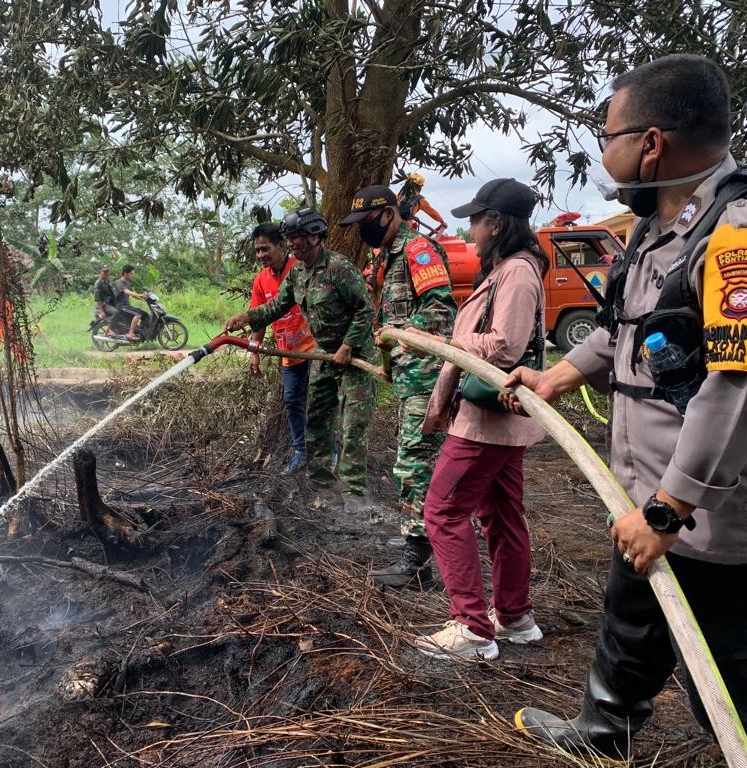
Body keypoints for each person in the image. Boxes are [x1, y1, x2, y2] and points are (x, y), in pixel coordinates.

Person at [505, 55, 747, 766]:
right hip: (647, 494)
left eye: (609, 136)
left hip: (716, 519)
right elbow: (623, 329)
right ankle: (604, 734)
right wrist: (559, 375)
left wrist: (671, 507)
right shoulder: (656, 228)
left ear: (651, 143)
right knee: (632, 624)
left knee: (745, 679)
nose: (604, 155)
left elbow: (738, 389)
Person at [413, 178, 548, 660]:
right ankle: (513, 618)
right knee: (502, 517)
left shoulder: (516, 272)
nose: (469, 229)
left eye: (475, 219)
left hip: (487, 423)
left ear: (496, 222)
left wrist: (448, 343)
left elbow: (505, 345)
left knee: (443, 511)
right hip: (500, 422)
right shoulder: (508, 269)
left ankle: (472, 629)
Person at [223, 208, 379, 516]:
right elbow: (277, 306)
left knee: (352, 426)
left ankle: (355, 496)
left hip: (355, 356)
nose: (293, 243)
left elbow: (365, 310)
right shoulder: (297, 274)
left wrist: (348, 345)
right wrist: (246, 317)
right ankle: (322, 487)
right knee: (317, 419)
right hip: (324, 355)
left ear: (314, 236)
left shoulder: (338, 267)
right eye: (290, 238)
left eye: (297, 238)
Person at [340, 185, 457, 589]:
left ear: (390, 214)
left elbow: (440, 310)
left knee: (414, 465)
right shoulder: (386, 258)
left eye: (368, 222)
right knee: (415, 460)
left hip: (427, 377)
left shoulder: (417, 251)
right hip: (409, 375)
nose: (363, 230)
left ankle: (417, 561)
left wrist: (401, 333)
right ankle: (418, 534)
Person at [247, 222, 317, 475]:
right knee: (291, 401)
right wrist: (254, 352)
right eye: (257, 251)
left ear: (281, 245)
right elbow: (259, 318)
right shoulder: (261, 280)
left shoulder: (298, 269)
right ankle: (301, 450)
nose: (261, 255)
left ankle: (328, 451)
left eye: (265, 249)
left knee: (321, 401)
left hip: (315, 349)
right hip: (288, 354)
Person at [113, 264, 146, 342]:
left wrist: (145, 299)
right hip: (120, 306)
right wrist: (139, 295)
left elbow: (133, 294)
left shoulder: (128, 283)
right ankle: (130, 334)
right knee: (138, 314)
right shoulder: (119, 283)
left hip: (126, 306)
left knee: (145, 314)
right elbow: (127, 292)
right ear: (125, 273)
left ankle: (140, 332)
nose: (132, 275)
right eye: (131, 273)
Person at [93, 266, 119, 338]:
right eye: (104, 272)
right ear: (100, 273)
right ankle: (111, 330)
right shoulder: (98, 283)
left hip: (112, 303)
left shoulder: (109, 282)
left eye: (107, 272)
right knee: (116, 313)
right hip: (104, 305)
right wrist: (102, 311)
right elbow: (98, 299)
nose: (106, 273)